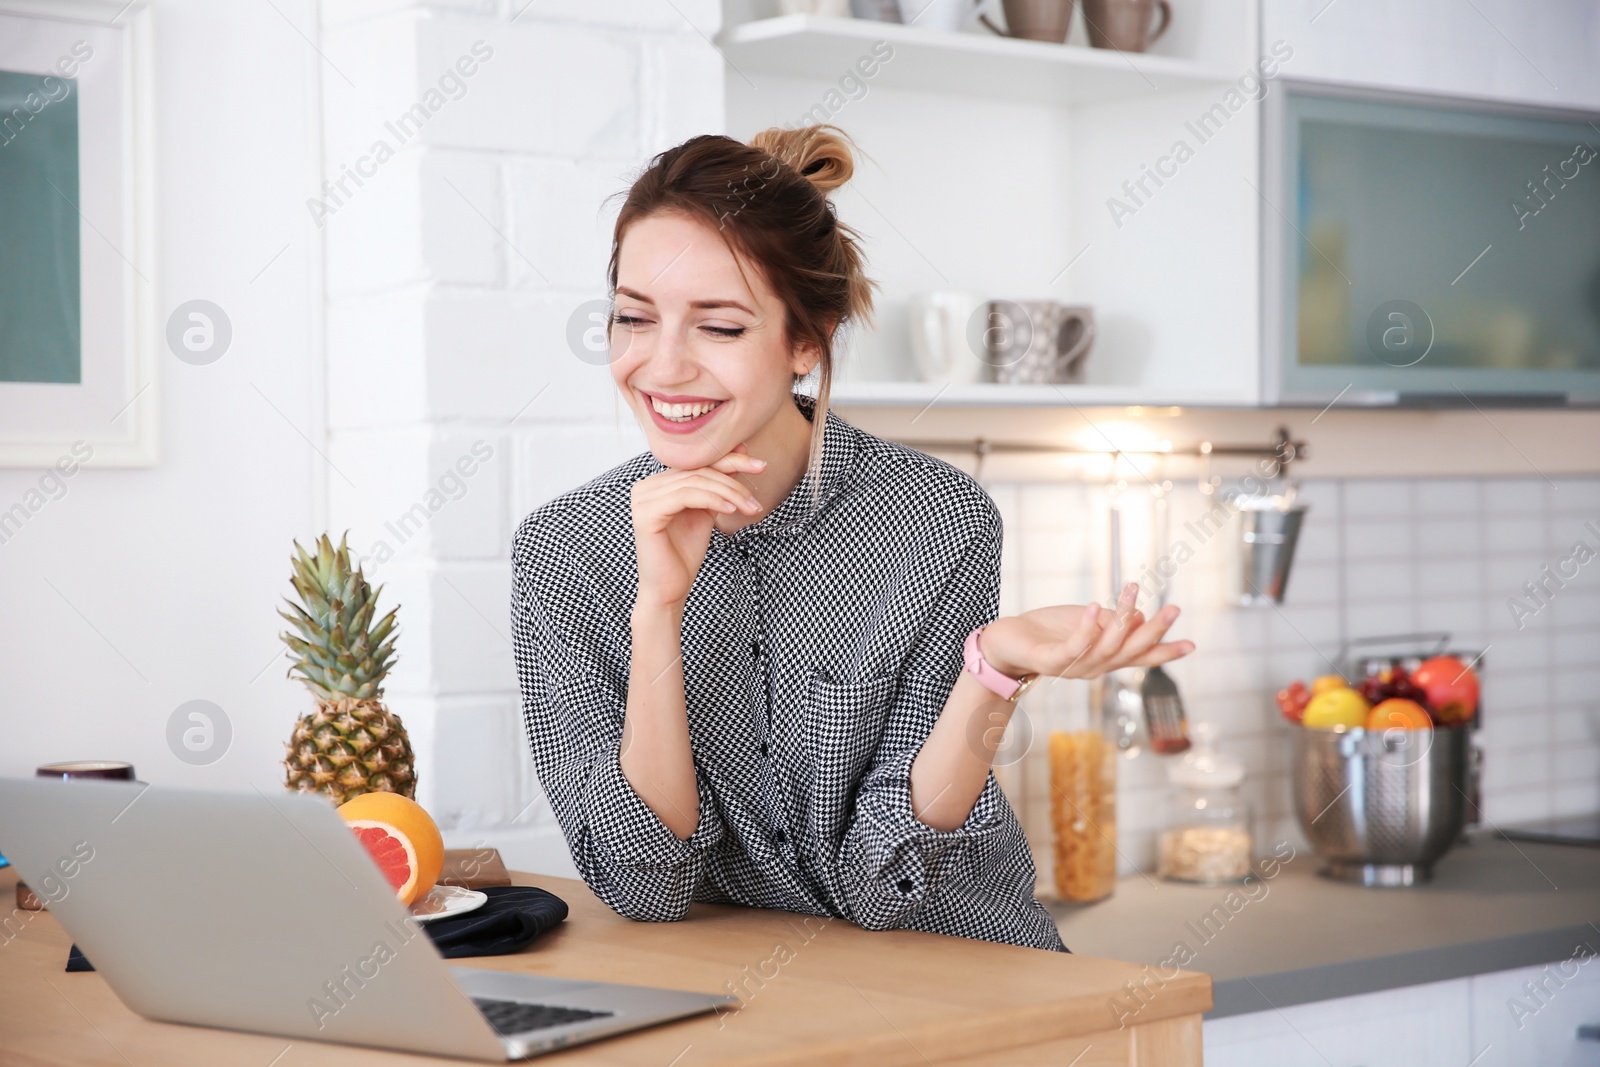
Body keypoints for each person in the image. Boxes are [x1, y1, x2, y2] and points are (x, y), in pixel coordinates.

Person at [510, 124, 1194, 954]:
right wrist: (658, 609)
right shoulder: (566, 552)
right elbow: (644, 884)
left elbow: (886, 880)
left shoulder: (934, 518)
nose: (663, 364)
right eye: (632, 318)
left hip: (972, 972)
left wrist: (994, 670)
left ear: (807, 340)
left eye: (719, 328)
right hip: (769, 1004)